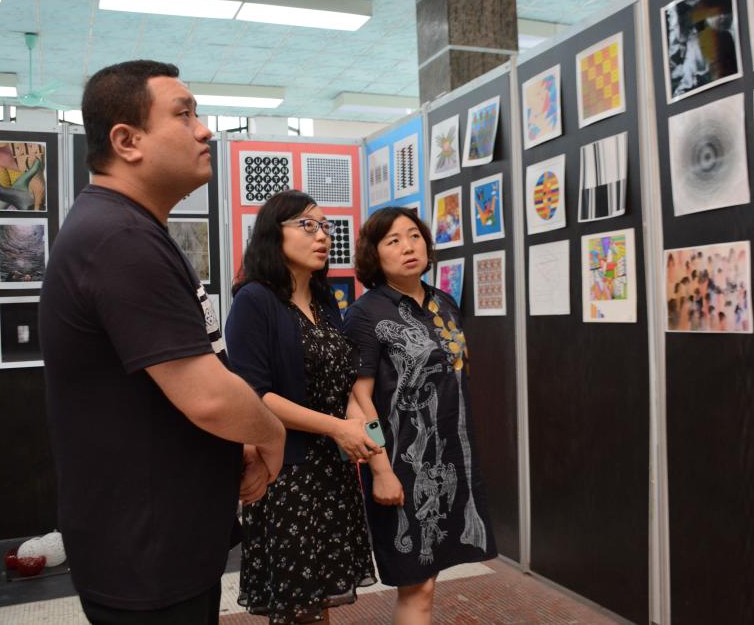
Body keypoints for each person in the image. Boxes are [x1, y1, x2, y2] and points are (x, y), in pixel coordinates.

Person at [40, 60, 286, 625]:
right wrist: (270, 433)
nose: (205, 130)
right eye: (184, 115)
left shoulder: (127, 229)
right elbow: (209, 397)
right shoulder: (119, 239)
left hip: (159, 537)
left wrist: (235, 445)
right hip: (145, 549)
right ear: (127, 141)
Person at [225, 190, 378, 624]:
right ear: (273, 235)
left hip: (331, 471)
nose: (322, 236)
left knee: (321, 601)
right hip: (286, 472)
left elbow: (343, 381)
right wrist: (336, 427)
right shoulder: (254, 300)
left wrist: (357, 426)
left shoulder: (326, 300)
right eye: (307, 225)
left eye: (326, 227)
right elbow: (256, 395)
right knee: (296, 609)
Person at [343, 207, 497, 625]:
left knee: (429, 581)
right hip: (401, 462)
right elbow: (358, 400)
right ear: (374, 254)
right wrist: (380, 470)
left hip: (449, 459)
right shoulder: (365, 314)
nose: (408, 247)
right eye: (392, 240)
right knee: (417, 584)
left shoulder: (444, 302)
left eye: (414, 236)